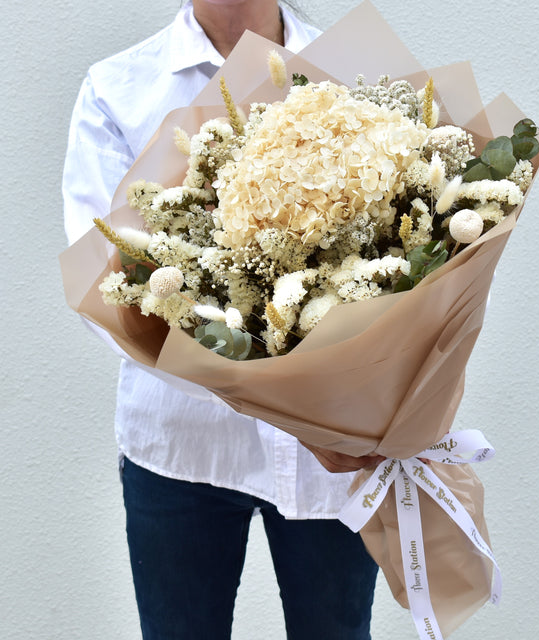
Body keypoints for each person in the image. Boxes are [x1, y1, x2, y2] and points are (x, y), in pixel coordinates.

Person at [62, 1, 383, 639]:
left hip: (334, 454)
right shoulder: (117, 90)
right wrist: (269, 396)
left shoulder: (354, 69)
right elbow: (103, 281)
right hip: (181, 449)